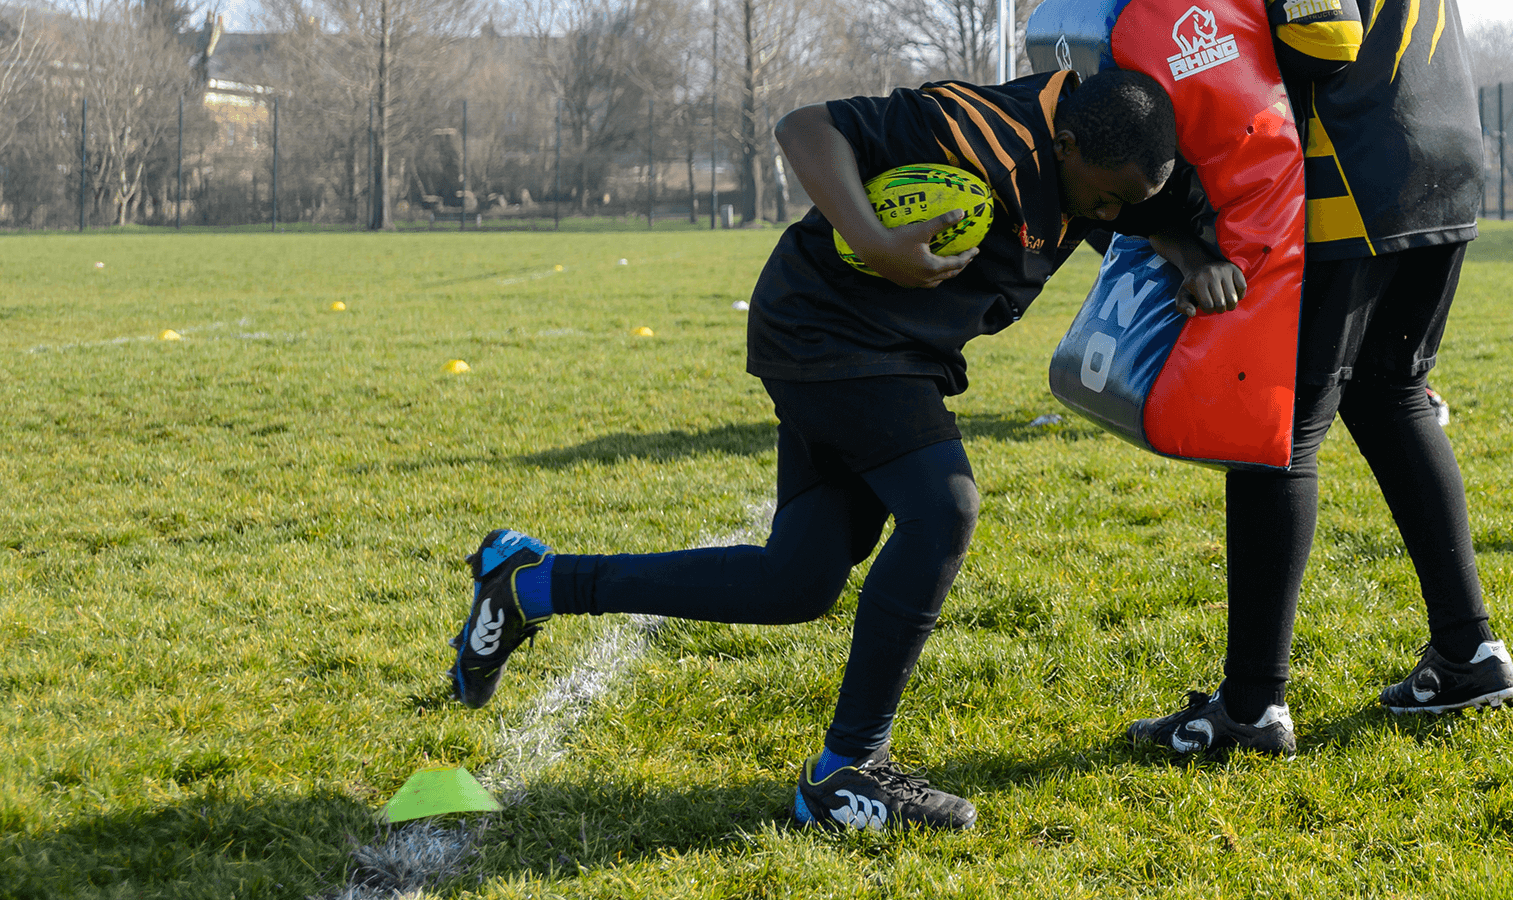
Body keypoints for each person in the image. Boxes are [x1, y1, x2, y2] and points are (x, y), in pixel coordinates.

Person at [445, 68, 1243, 830]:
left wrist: (1198, 257)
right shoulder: (976, 128)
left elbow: (1146, 213)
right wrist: (874, 238)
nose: (1108, 217)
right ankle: (847, 770)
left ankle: (528, 585)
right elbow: (805, 127)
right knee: (944, 508)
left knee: (795, 582)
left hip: (889, 350)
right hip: (828, 332)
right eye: (1103, 198)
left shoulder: (1103, 162)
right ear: (1065, 147)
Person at [1127, 0, 1513, 757]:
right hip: (1442, 159)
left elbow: (1323, 34)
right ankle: (1469, 653)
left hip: (1349, 178)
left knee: (1276, 429)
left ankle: (1249, 708)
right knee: (1391, 393)